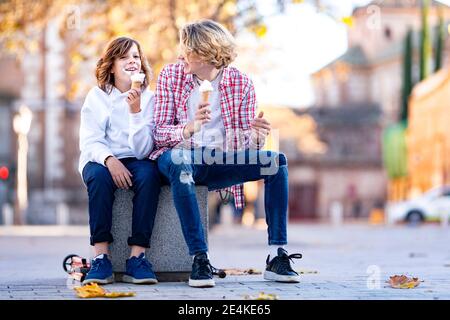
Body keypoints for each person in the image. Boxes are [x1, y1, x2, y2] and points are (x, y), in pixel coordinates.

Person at [151, 20, 302, 288]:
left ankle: (277, 255)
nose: (180, 54)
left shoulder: (241, 83)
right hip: (179, 156)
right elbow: (159, 133)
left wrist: (255, 138)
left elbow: (241, 145)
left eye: (188, 49)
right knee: (180, 161)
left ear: (207, 54)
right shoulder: (171, 75)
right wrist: (188, 129)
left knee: (275, 162)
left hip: (220, 159)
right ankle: (200, 258)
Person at [79, 37, 160, 285]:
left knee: (149, 175)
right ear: (112, 66)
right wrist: (110, 160)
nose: (132, 61)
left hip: (136, 158)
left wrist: (135, 110)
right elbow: (90, 141)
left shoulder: (150, 98)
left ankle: (137, 257)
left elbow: (143, 149)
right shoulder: (97, 96)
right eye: (124, 57)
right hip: (100, 158)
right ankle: (101, 257)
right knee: (99, 178)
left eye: (136, 56)